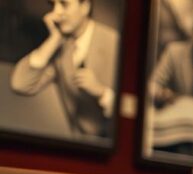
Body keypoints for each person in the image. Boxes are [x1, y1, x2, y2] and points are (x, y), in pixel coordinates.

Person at [10, 0, 119, 138]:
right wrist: (54, 39)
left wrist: (102, 93)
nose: (55, 13)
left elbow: (135, 112)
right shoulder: (61, 49)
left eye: (64, 4)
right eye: (53, 5)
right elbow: (20, 84)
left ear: (85, 7)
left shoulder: (116, 43)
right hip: (79, 147)